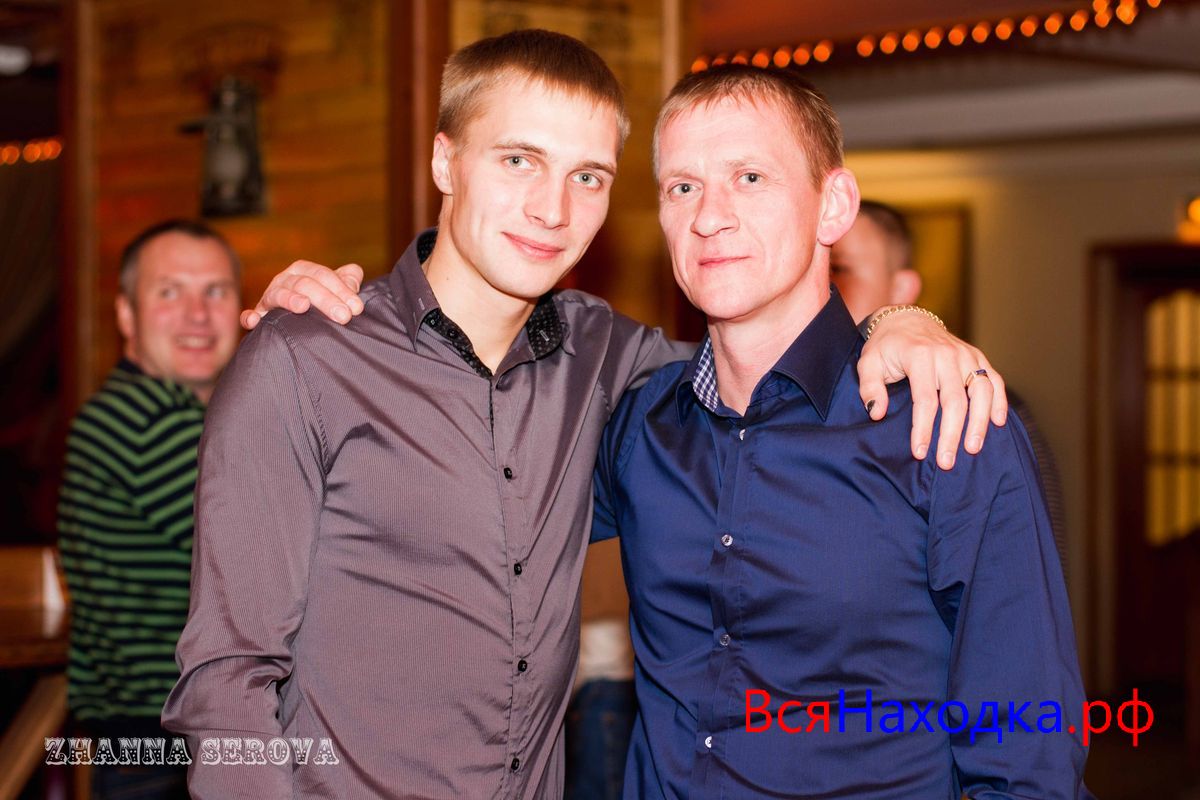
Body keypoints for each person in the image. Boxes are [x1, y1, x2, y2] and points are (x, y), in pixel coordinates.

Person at [164, 31, 1006, 799]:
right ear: (447, 161)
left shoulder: (605, 357)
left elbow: (774, 359)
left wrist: (903, 321)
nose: (553, 209)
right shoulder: (307, 359)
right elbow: (225, 682)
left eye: (588, 177)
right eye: (519, 161)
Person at [591, 65, 1090, 798]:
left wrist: (901, 317)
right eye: (683, 187)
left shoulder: (945, 426)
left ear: (833, 207)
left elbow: (1027, 748)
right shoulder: (641, 427)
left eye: (750, 178)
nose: (709, 216)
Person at [57, 220, 241, 799]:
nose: (197, 315)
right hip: (165, 751)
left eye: (215, 291)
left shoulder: (174, 418)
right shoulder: (145, 420)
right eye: (169, 292)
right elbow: (265, 551)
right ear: (126, 315)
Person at [832, 199, 1069, 574]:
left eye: (839, 269)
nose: (824, 287)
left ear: (902, 287)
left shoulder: (979, 402)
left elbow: (1033, 566)